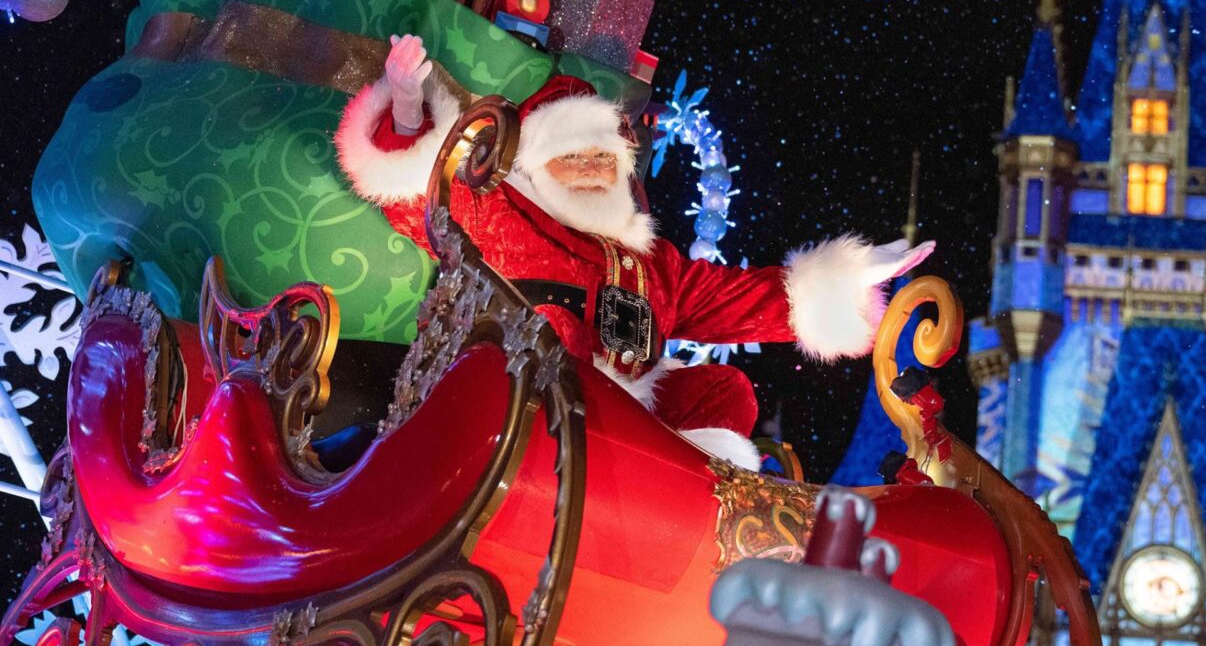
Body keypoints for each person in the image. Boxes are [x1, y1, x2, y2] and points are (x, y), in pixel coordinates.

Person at [335, 35, 933, 468]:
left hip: (631, 432)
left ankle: (680, 510)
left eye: (604, 158)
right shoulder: (511, 217)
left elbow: (741, 298)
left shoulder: (652, 264)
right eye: (573, 157)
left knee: (726, 392)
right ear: (539, 167)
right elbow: (421, 195)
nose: (592, 169)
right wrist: (410, 106)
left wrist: (847, 279)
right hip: (534, 416)